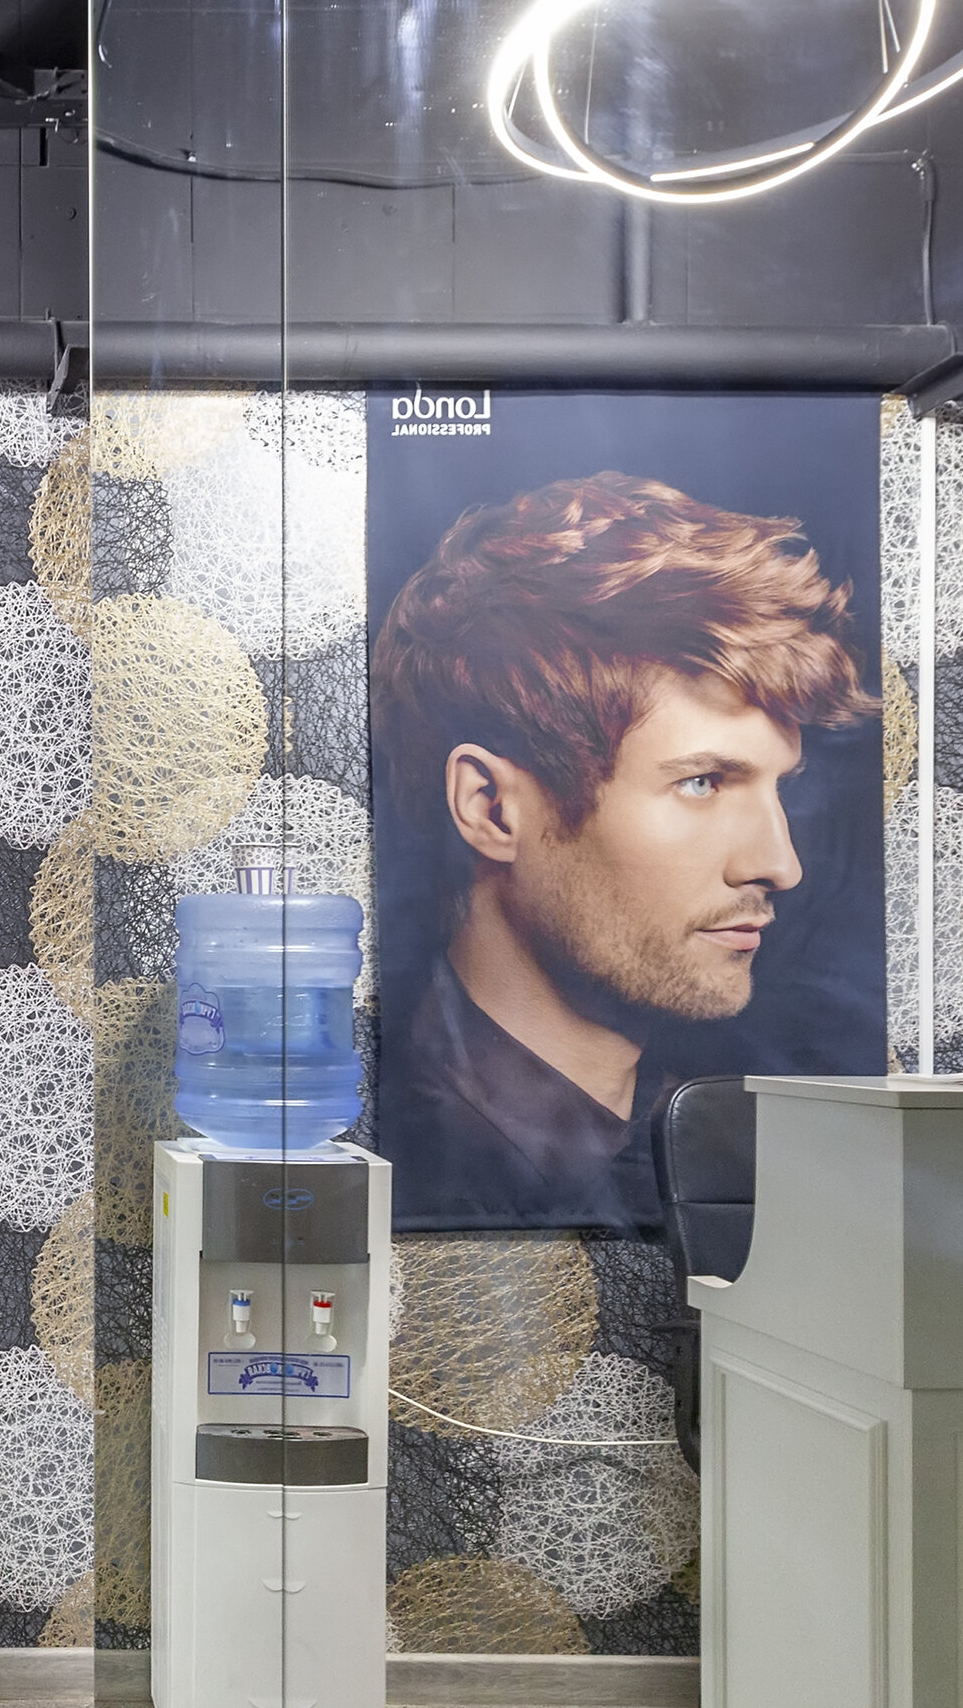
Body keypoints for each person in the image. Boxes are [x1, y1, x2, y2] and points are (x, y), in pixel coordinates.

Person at [371, 471, 870, 1232]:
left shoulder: (726, 1145)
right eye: (703, 782)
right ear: (491, 807)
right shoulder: (415, 1157)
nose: (780, 865)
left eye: (779, 786)